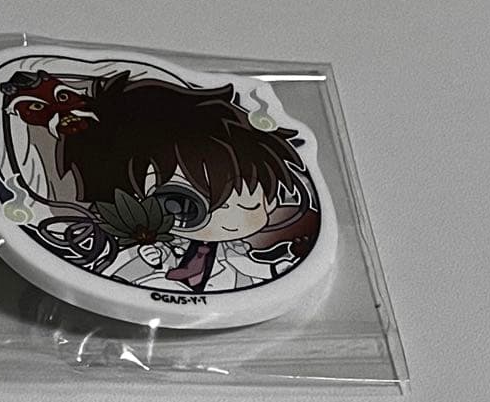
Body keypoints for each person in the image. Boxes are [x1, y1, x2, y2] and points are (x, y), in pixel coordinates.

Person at [55, 74, 318, 292]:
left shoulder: (233, 249)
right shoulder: (150, 244)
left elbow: (249, 269)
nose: (227, 221)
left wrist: (277, 270)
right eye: (181, 204)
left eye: (249, 205)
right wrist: (148, 261)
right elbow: (119, 275)